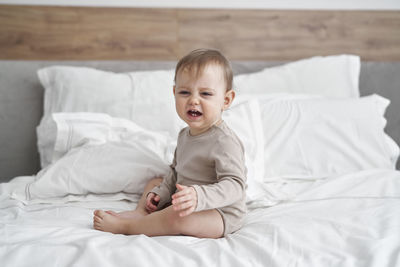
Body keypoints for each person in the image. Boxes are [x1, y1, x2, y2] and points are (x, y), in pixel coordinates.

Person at [93, 48, 247, 238]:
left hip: (219, 212)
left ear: (226, 100)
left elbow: (235, 186)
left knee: (177, 217)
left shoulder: (224, 142)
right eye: (184, 92)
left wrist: (199, 196)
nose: (193, 100)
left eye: (205, 94)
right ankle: (142, 212)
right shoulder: (185, 135)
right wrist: (162, 193)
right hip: (187, 200)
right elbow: (176, 172)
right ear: (174, 93)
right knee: (155, 182)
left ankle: (127, 228)